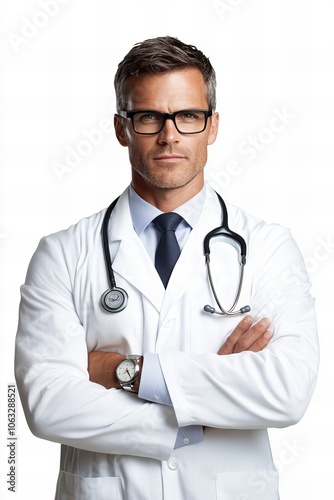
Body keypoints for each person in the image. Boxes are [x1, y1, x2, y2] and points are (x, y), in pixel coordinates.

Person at [15, 36, 319, 500]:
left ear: (212, 126)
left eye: (188, 116)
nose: (169, 134)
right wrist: (205, 401)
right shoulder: (62, 253)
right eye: (149, 116)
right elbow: (48, 404)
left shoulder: (268, 246)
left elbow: (287, 390)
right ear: (121, 128)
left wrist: (123, 371)